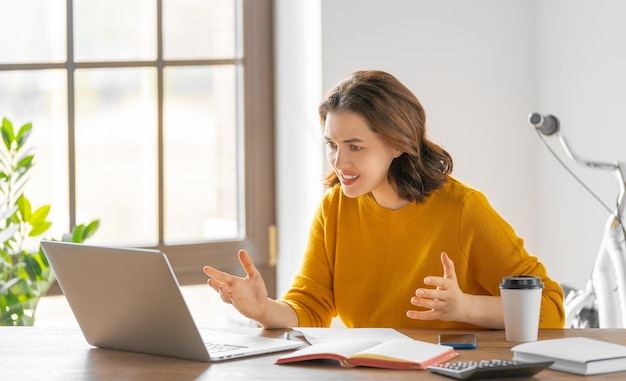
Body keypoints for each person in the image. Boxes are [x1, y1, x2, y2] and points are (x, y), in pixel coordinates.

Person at [203, 70, 565, 330]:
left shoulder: (462, 210)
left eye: (355, 147)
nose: (339, 162)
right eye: (332, 145)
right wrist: (262, 309)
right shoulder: (335, 208)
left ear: (396, 144)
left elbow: (548, 306)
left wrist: (464, 306)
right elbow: (310, 308)